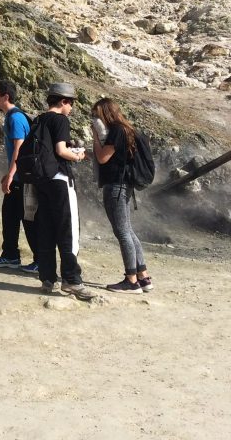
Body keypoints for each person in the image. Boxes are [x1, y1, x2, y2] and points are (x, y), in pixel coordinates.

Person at [34, 82, 94, 300]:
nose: (71, 108)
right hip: (60, 179)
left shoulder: (39, 119)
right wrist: (78, 155)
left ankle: (47, 278)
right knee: (68, 229)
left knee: (46, 228)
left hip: (42, 180)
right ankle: (71, 280)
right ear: (63, 101)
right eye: (71, 104)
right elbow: (61, 151)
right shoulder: (60, 120)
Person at [91, 97, 153, 294]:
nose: (94, 118)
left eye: (96, 114)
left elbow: (103, 158)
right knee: (128, 230)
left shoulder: (117, 131)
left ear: (105, 114)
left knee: (122, 232)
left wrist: (95, 137)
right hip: (125, 185)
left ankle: (131, 280)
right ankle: (143, 277)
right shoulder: (128, 129)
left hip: (116, 185)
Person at [0, 79, 38, 272]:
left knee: (27, 219)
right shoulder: (13, 116)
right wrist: (8, 174)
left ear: (5, 97)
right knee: (10, 215)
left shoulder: (15, 118)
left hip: (22, 179)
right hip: (20, 177)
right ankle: (11, 256)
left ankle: (39, 260)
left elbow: (19, 148)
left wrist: (10, 175)